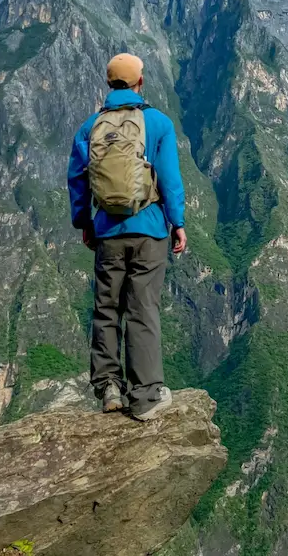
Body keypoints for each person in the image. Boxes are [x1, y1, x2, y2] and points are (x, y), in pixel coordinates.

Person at [68, 53, 186, 421]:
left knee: (106, 309)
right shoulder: (159, 123)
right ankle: (146, 395)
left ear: (109, 84)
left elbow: (77, 180)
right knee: (142, 309)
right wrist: (177, 222)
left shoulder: (90, 128)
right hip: (150, 230)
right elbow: (168, 179)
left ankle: (109, 389)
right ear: (141, 81)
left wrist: (84, 222)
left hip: (107, 232)